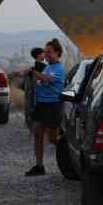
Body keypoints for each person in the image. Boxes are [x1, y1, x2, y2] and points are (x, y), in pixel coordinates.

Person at [26, 39, 67, 176]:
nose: (46, 54)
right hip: (41, 105)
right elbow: (39, 81)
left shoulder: (59, 69)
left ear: (57, 53)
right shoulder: (47, 67)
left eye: (49, 52)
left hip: (53, 106)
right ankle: (39, 166)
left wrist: (33, 72)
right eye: (45, 52)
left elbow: (47, 79)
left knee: (53, 139)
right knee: (37, 133)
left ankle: (69, 157)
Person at [19, 46, 45, 136]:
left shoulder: (31, 68)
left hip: (30, 95)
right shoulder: (41, 68)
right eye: (43, 53)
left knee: (31, 111)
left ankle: (33, 130)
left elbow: (23, 84)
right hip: (35, 94)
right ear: (39, 55)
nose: (44, 54)